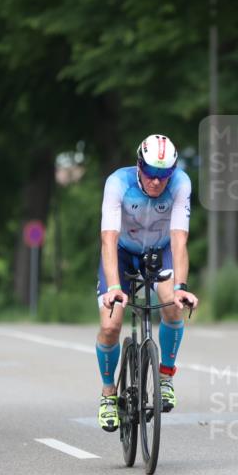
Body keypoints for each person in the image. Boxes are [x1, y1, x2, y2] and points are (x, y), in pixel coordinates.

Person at [95, 134, 198, 431]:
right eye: (151, 172)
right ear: (139, 165)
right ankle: (108, 394)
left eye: (164, 174)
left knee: (174, 307)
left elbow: (179, 240)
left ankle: (165, 377)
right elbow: (108, 238)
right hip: (121, 251)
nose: (156, 181)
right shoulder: (118, 183)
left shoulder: (180, 184)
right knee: (110, 326)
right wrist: (114, 288)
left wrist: (181, 287)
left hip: (159, 250)